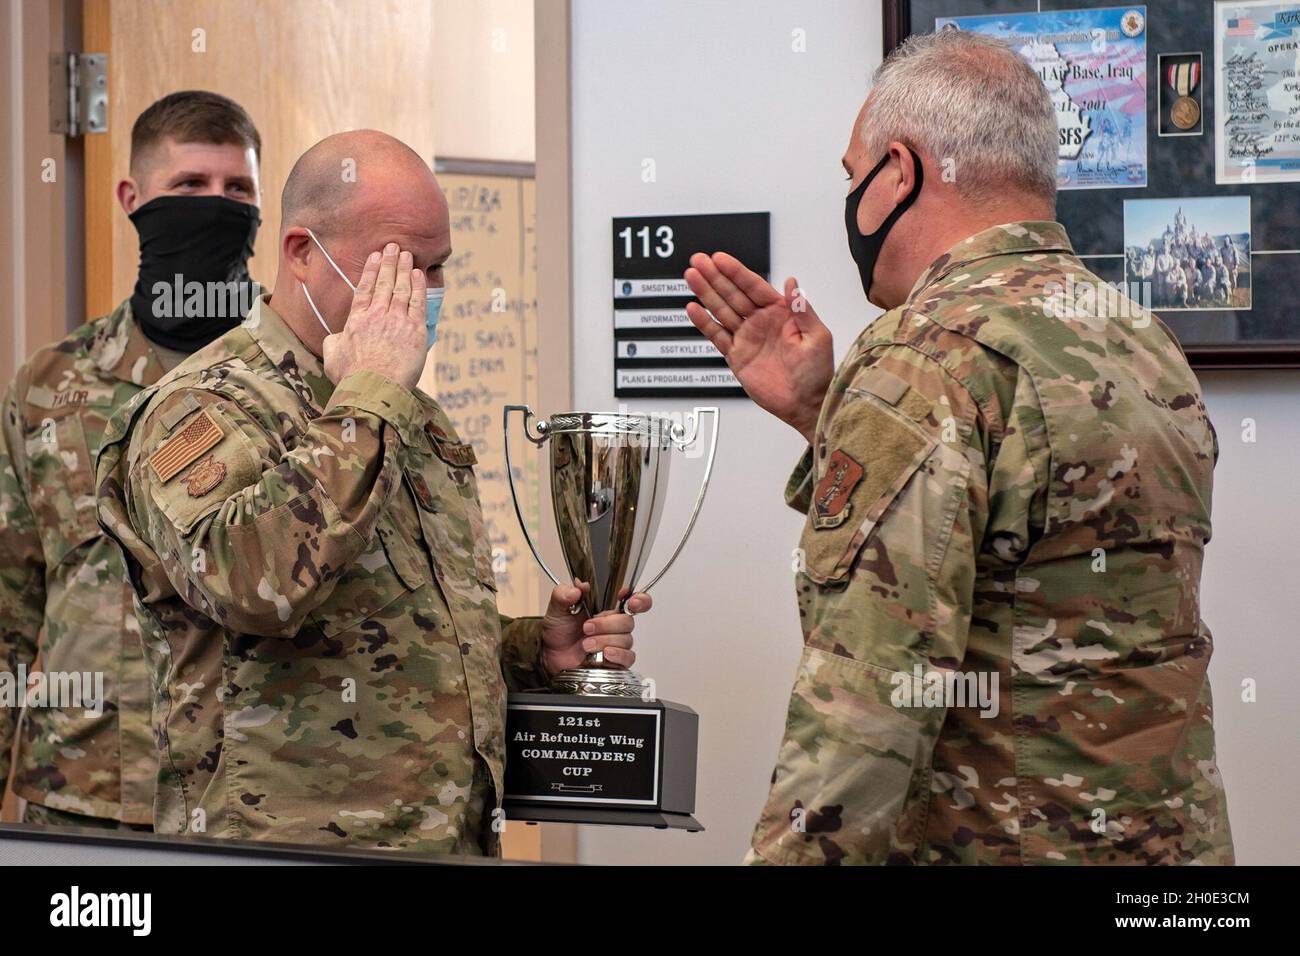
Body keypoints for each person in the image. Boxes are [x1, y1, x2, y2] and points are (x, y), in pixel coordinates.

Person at [685, 30, 1233, 865]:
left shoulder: (923, 354)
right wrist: (821, 412)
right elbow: (1030, 547)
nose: (850, 199)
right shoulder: (1138, 339)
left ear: (898, 173)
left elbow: (864, 712)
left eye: (851, 175)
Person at [95, 130, 646, 853]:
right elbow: (254, 587)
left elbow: (406, 632)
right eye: (402, 266)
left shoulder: (410, 413)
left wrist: (532, 652)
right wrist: (369, 397)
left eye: (439, 266)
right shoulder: (201, 408)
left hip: (446, 841)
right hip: (283, 848)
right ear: (301, 252)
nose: (427, 292)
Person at [0, 91, 263, 830]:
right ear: (133, 197)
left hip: (253, 797)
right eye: (190, 186)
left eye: (237, 189)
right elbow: (11, 602)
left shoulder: (308, 377)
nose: (217, 205)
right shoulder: (51, 383)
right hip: (80, 792)